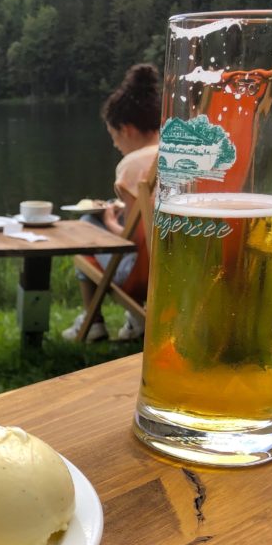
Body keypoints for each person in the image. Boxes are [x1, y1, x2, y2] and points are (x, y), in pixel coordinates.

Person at [62, 63, 161, 343]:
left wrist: (106, 220)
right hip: (176, 268)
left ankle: (93, 321)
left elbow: (132, 242)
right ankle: (133, 321)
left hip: (143, 274)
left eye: (114, 137)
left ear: (127, 129)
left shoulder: (132, 166)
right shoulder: (180, 153)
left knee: (85, 227)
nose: (116, 145)